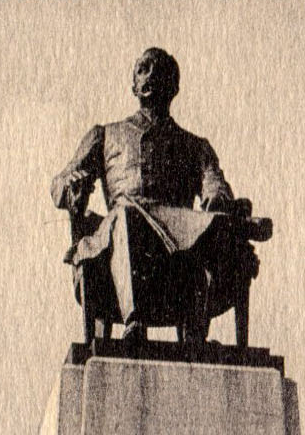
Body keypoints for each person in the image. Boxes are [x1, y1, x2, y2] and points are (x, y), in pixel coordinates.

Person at [51, 48, 263, 345]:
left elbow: (214, 185)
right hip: (117, 240)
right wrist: (69, 185)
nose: (150, 75)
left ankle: (194, 337)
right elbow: (59, 184)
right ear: (134, 85)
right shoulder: (105, 135)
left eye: (159, 70)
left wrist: (218, 199)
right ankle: (133, 323)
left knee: (207, 226)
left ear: (174, 87)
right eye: (143, 69)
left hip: (178, 242)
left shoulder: (195, 146)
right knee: (125, 216)